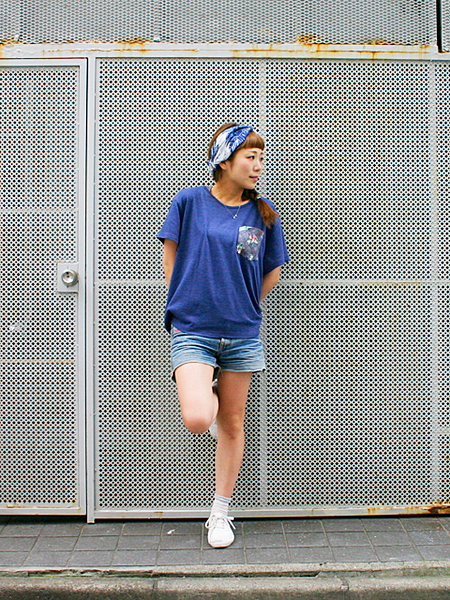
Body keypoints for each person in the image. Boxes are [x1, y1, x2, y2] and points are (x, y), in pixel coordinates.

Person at [157, 123, 289, 548]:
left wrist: (246, 303)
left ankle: (220, 512)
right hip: (194, 327)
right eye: (250, 157)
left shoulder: (262, 214)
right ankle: (207, 391)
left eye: (261, 158)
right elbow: (171, 257)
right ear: (224, 160)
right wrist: (183, 305)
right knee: (199, 419)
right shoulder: (190, 202)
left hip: (241, 331)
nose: (258, 165)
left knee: (232, 423)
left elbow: (269, 269)